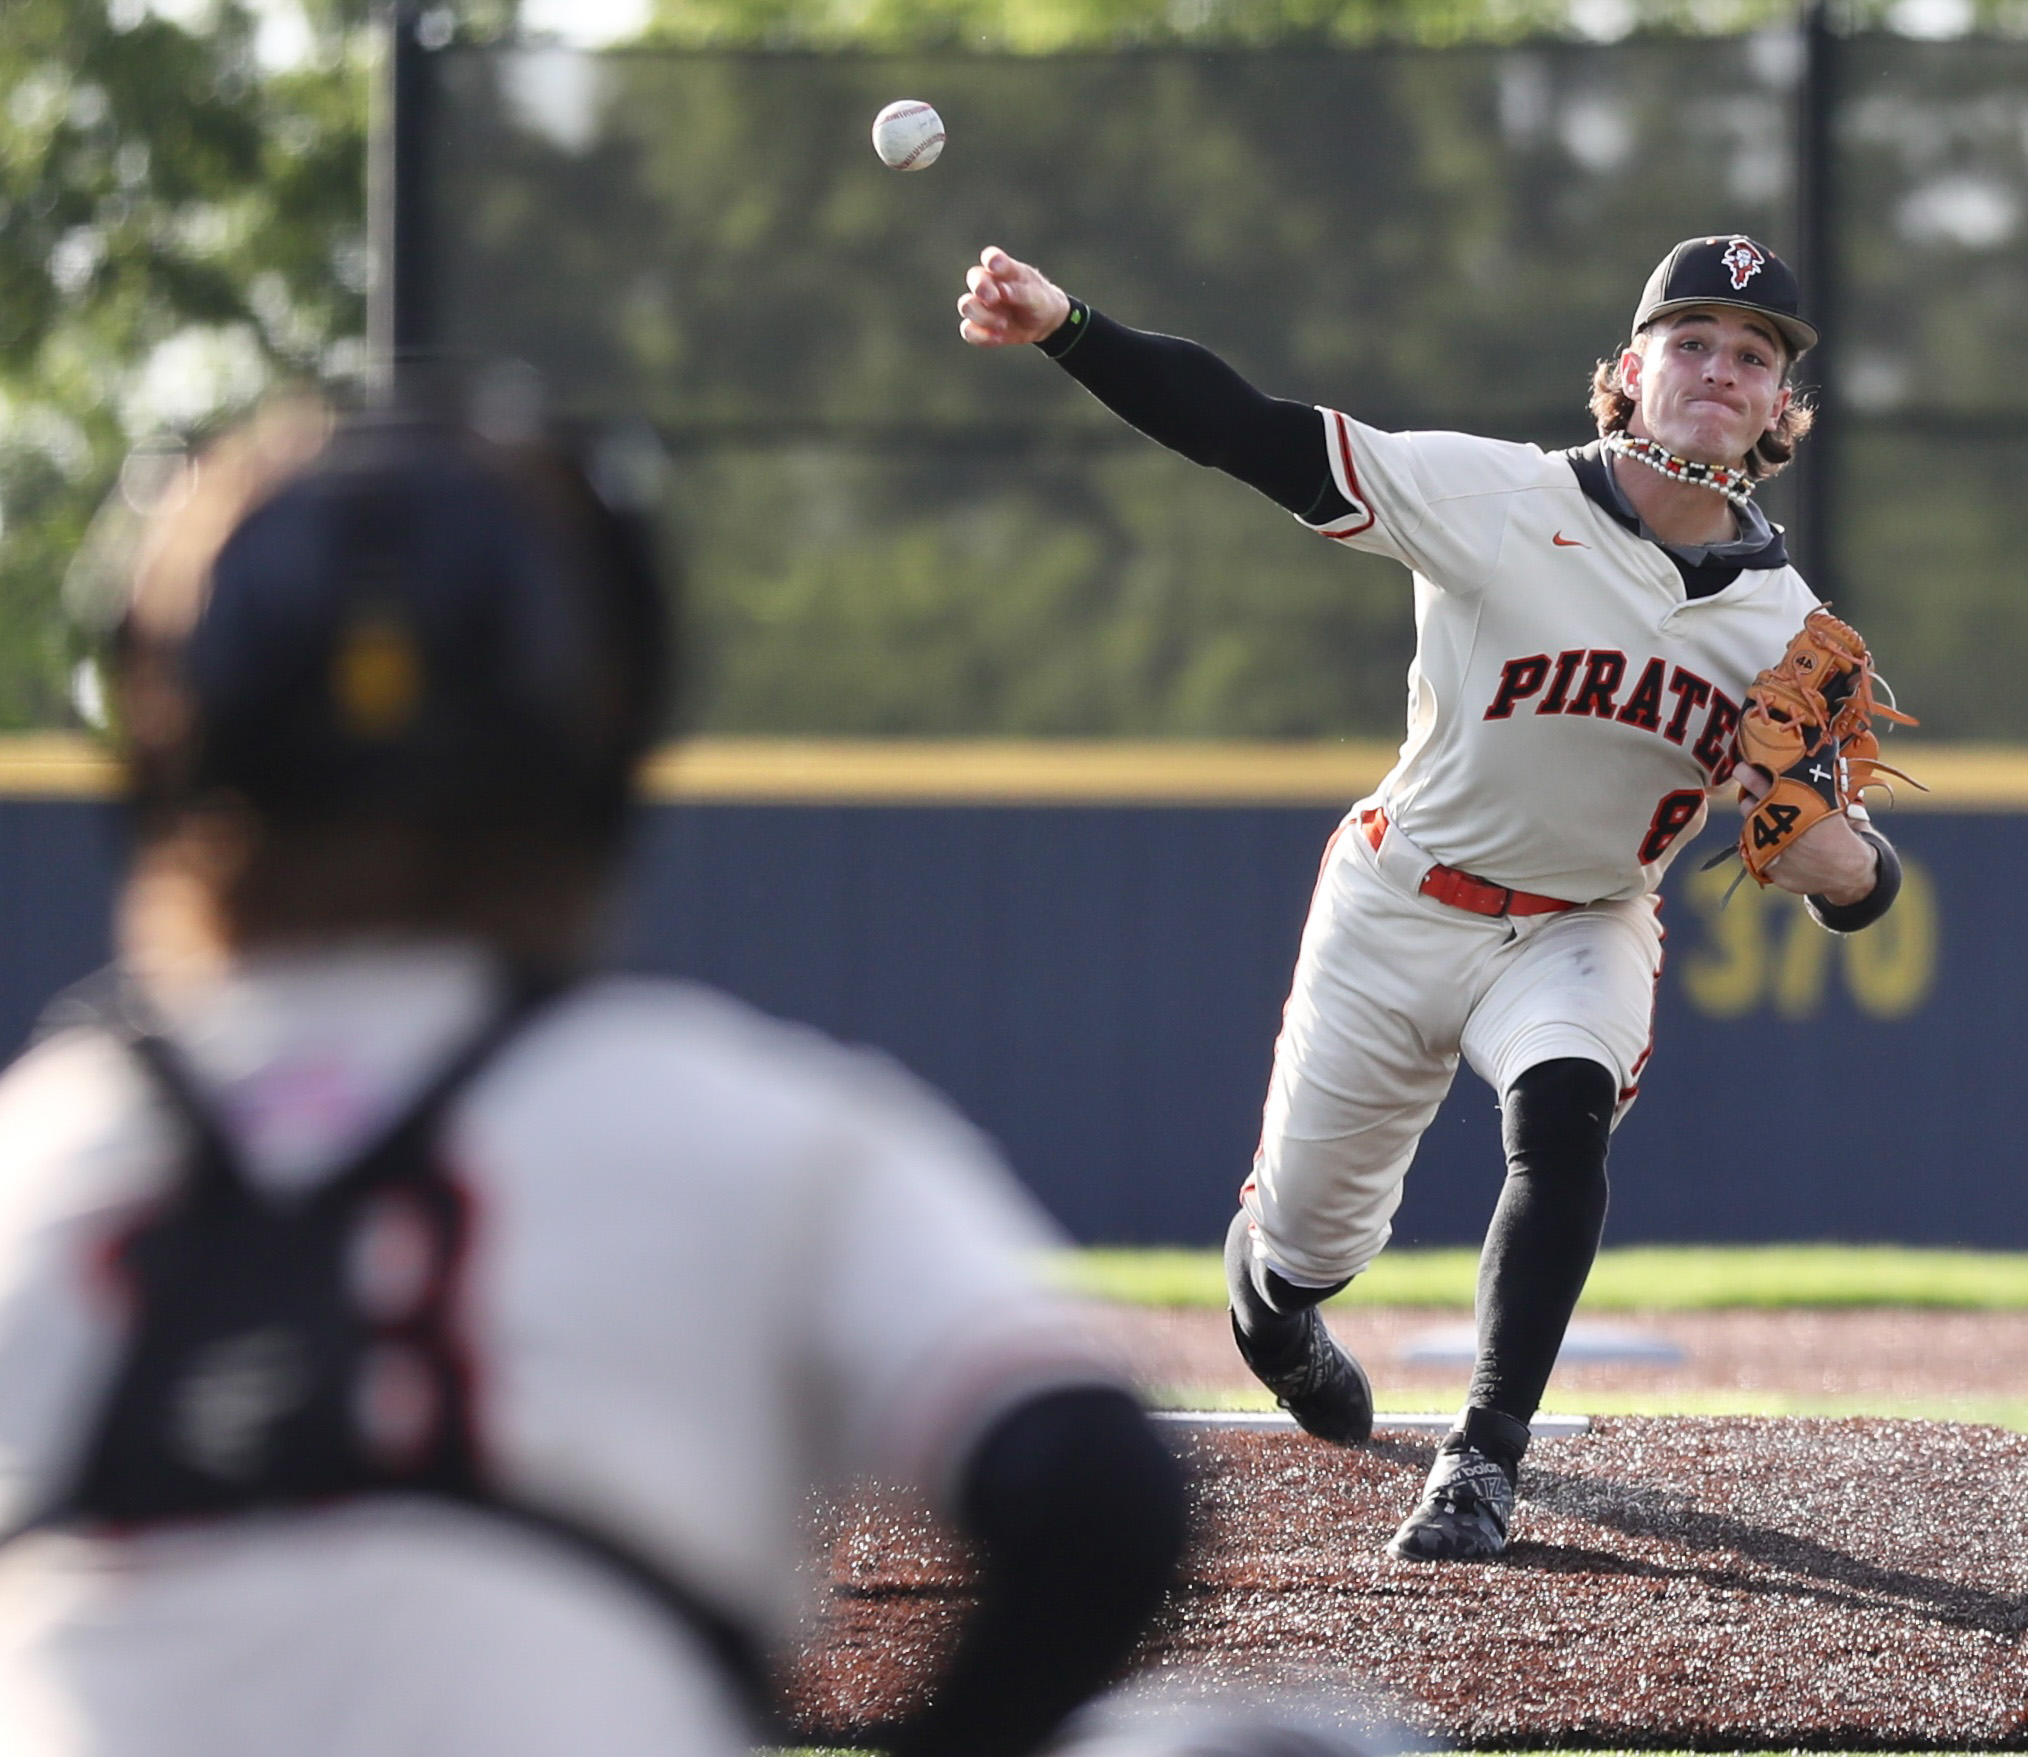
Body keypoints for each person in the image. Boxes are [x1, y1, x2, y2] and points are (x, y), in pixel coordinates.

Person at [0, 399, 1188, 1754]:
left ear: (160, 737)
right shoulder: (745, 1125)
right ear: (597, 731)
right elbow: (1099, 1496)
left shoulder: (35, 1148)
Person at [957, 234, 1902, 1563]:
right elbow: (1251, 433)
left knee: (1564, 1119)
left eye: (1752, 355)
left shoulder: (1789, 631)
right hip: (1398, 902)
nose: (1718, 368)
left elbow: (1858, 881)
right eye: (1689, 340)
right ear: (1629, 372)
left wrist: (1844, 870)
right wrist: (1069, 326)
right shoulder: (1501, 498)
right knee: (1307, 1247)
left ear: (1779, 404)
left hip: (1581, 921)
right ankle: (1272, 1305)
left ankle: (1483, 1456)